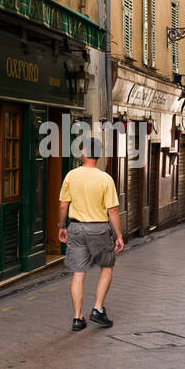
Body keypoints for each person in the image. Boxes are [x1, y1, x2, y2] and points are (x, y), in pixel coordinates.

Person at [57, 136, 125, 331]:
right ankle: (97, 309)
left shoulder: (71, 175)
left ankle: (77, 318)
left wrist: (62, 226)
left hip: (76, 228)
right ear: (98, 155)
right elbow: (112, 211)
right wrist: (119, 235)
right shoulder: (105, 178)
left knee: (78, 273)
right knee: (107, 266)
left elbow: (63, 204)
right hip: (99, 229)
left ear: (83, 154)